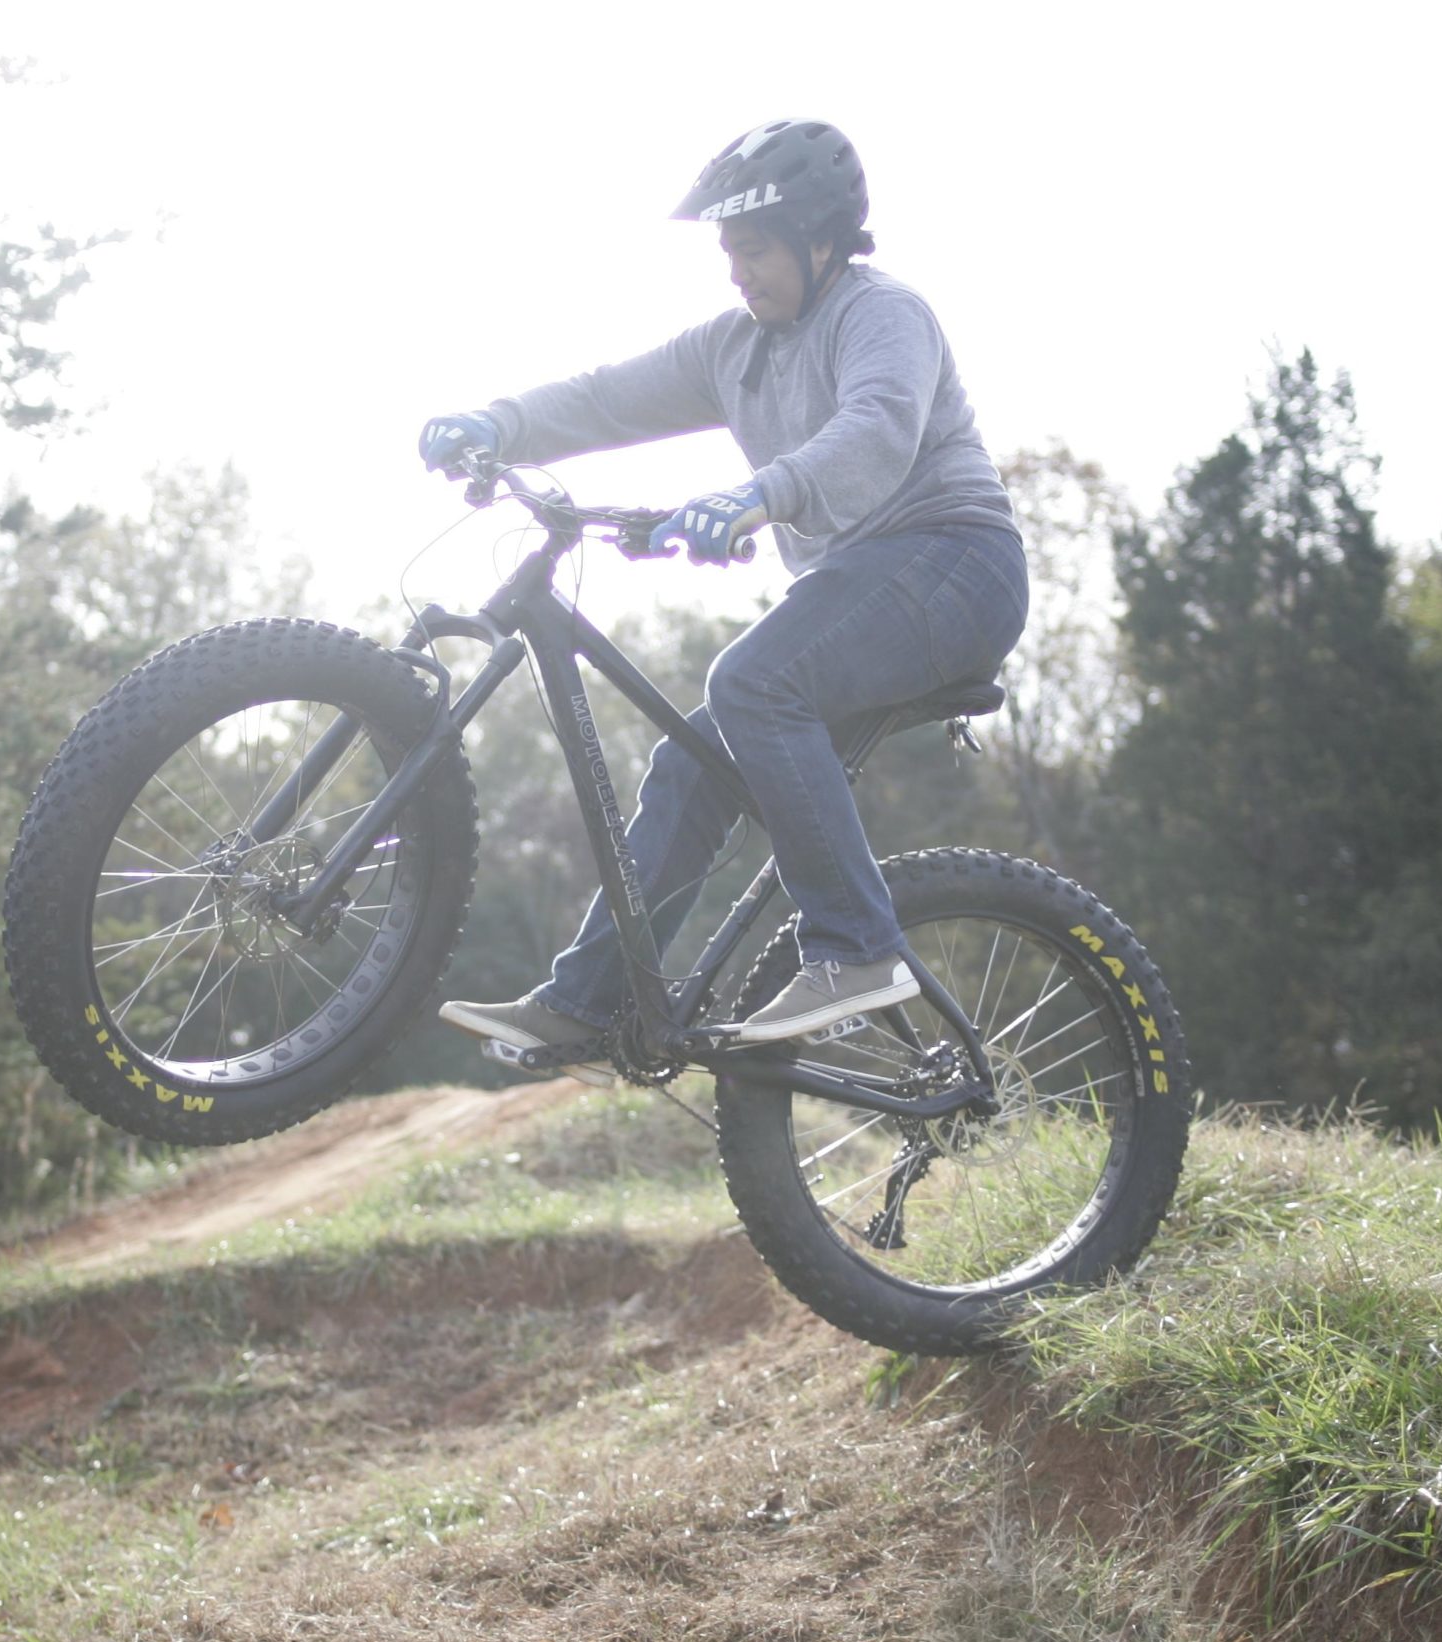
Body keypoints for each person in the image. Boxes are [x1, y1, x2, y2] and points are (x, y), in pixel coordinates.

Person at [423, 118, 1028, 1078]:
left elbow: (877, 429)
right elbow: (606, 396)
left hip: (957, 565)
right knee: (697, 757)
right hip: (859, 589)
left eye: (755, 248)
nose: (737, 272)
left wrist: (759, 493)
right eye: (728, 252)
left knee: (750, 683)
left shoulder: (883, 315)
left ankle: (855, 946)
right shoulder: (733, 348)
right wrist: (498, 422)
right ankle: (587, 1002)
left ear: (821, 238)